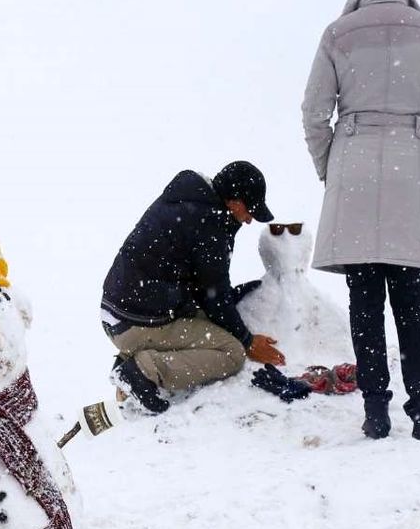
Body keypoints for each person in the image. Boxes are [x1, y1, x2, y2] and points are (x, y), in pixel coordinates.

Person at [301, 0, 420, 443]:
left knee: (365, 300)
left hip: (352, 170)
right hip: (409, 170)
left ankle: (376, 410)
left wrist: (330, 170)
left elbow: (314, 115)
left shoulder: (339, 33)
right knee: (413, 301)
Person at [101, 161, 286, 413]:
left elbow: (203, 285)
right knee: (232, 351)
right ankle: (143, 372)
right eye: (250, 210)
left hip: (117, 315)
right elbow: (213, 296)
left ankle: (130, 361)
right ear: (234, 201)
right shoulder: (209, 222)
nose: (250, 219)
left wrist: (228, 298)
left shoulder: (189, 201)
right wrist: (247, 341)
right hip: (137, 323)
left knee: (214, 326)